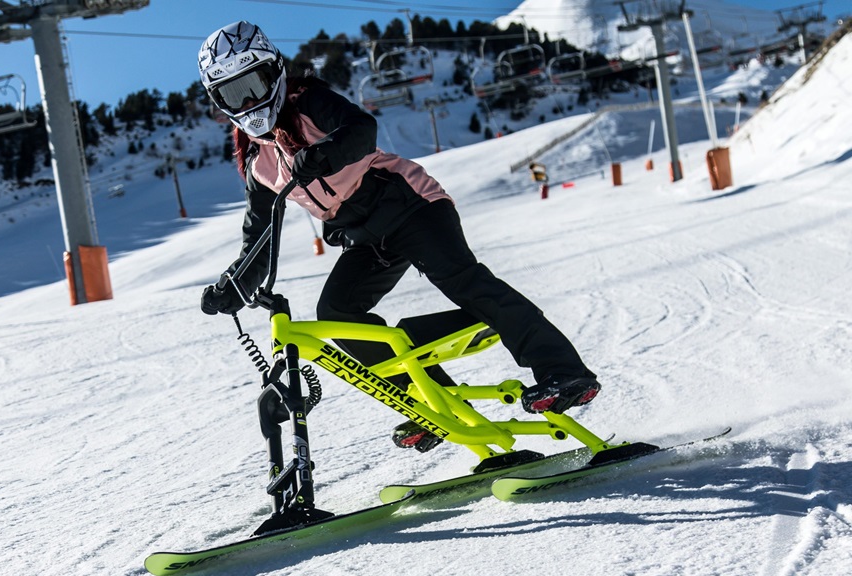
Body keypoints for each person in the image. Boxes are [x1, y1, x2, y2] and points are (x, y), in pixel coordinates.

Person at [197, 21, 600, 452]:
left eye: (255, 84)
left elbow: (360, 129)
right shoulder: (258, 163)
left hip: (411, 205)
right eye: (235, 94)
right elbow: (258, 238)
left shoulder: (307, 102)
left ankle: (564, 371)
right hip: (365, 236)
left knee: (462, 279)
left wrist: (323, 154)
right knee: (337, 311)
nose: (251, 101)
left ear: (274, 72)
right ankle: (428, 405)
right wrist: (232, 288)